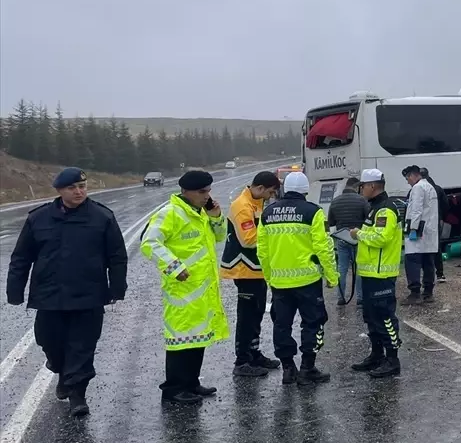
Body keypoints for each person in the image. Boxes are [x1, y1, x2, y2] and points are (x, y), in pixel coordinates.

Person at [6, 168, 127, 418]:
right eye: (72, 188)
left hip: (88, 295)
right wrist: (14, 290)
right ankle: (62, 370)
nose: (78, 191)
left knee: (82, 347)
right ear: (60, 191)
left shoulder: (102, 217)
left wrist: (117, 287)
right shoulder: (38, 219)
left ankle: (77, 394)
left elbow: (117, 257)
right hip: (50, 296)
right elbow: (21, 257)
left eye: (82, 186)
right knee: (49, 341)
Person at [140, 171, 229, 405]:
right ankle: (174, 389)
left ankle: (191, 382)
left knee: (196, 338)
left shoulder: (201, 214)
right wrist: (174, 266)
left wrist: (216, 216)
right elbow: (149, 242)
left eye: (208, 191)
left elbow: (220, 237)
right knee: (180, 339)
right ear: (186, 192)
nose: (207, 196)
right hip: (181, 289)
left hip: (202, 289)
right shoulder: (171, 213)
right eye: (202, 192)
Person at [258, 172, 338, 386]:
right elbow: (324, 248)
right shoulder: (313, 212)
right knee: (313, 323)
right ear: (305, 190)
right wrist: (332, 276)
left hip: (279, 283)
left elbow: (262, 252)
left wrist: (269, 277)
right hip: (308, 281)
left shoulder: (267, 213)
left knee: (281, 325)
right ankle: (307, 368)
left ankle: (288, 369)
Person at [219, 170, 282, 377]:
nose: (271, 196)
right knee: (246, 316)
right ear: (260, 188)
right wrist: (275, 236)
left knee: (256, 313)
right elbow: (248, 240)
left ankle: (254, 353)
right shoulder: (242, 206)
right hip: (245, 269)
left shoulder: (256, 203)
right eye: (270, 192)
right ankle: (242, 360)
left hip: (257, 269)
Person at [350, 168, 403, 377]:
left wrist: (359, 233)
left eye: (362, 186)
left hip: (382, 274)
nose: (361, 190)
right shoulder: (375, 208)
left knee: (385, 318)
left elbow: (381, 239)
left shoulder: (386, 210)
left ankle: (392, 359)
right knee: (371, 317)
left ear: (372, 186)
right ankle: (376, 355)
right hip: (371, 272)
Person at [327, 177, 369, 306]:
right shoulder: (362, 200)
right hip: (358, 238)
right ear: (356, 187)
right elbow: (368, 219)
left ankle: (341, 297)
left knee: (342, 269)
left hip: (342, 239)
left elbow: (331, 222)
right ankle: (360, 298)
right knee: (359, 269)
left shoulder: (335, 201)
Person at [401, 165, 439, 303]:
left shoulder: (417, 188)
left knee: (412, 261)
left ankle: (414, 293)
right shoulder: (430, 187)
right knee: (428, 262)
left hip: (418, 232)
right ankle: (428, 292)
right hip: (429, 232)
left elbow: (416, 210)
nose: (407, 182)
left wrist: (412, 228)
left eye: (407, 178)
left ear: (413, 175)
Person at [420, 167, 449, 283]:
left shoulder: (417, 189)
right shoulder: (438, 189)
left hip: (421, 223)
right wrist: (441, 217)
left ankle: (426, 275)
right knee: (436, 247)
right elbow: (446, 205)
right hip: (436, 221)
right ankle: (440, 274)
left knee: (422, 247)